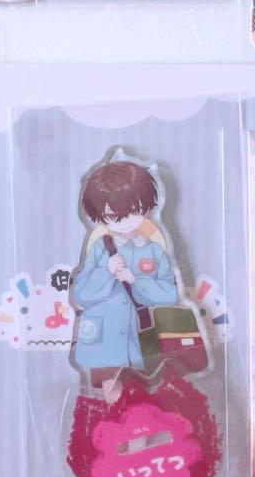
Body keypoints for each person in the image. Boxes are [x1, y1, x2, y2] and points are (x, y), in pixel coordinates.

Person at [71, 160, 179, 398]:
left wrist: (136, 280)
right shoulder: (101, 249)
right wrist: (106, 271)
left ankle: (134, 420)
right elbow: (81, 294)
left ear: (146, 206)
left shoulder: (154, 251)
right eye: (113, 215)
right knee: (111, 389)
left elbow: (170, 295)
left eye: (133, 210)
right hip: (102, 338)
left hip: (137, 341)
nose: (125, 220)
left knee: (137, 390)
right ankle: (114, 420)